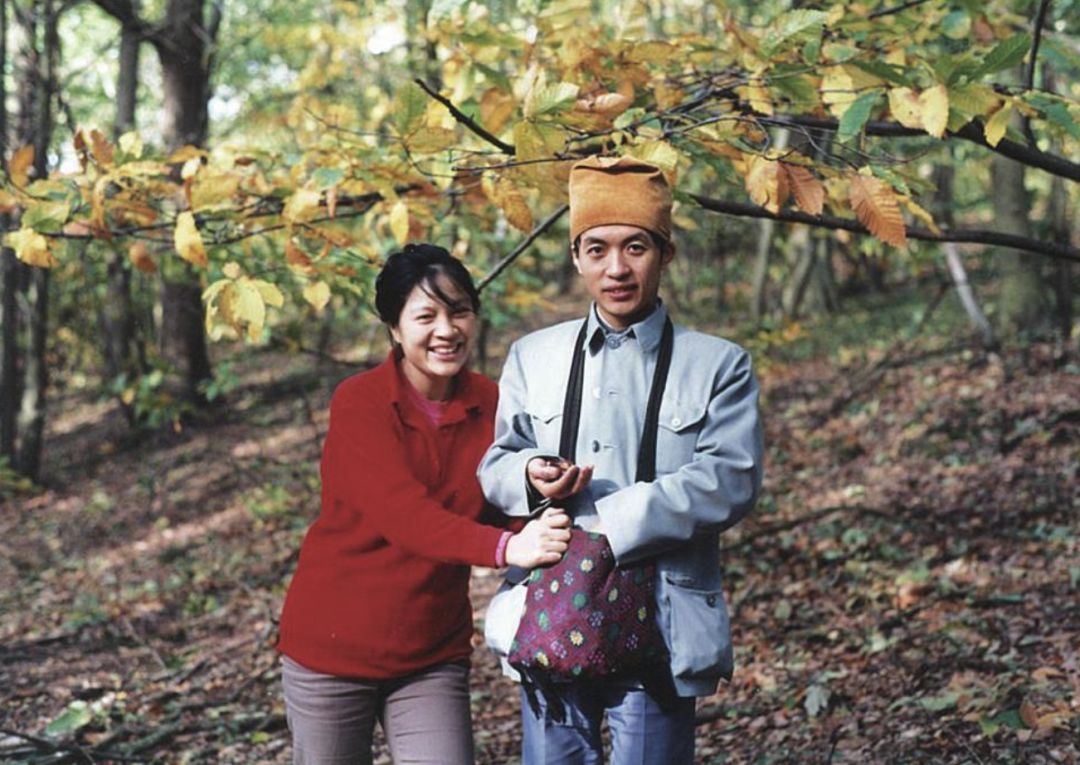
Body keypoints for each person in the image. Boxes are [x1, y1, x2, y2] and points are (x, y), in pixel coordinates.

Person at [479, 157, 764, 764]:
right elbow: (495, 465)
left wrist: (614, 519)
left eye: (636, 247)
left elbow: (730, 479)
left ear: (666, 253)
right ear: (576, 256)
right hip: (554, 607)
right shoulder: (534, 356)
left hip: (661, 620)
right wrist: (530, 476)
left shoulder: (718, 364)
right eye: (598, 248)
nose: (617, 268)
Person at [277, 243, 572, 765]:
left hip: (430, 653)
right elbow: (404, 516)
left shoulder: (492, 402)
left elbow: (499, 498)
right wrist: (509, 546)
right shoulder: (360, 402)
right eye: (426, 316)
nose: (446, 329)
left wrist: (538, 485)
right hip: (332, 650)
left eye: (459, 311)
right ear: (394, 327)